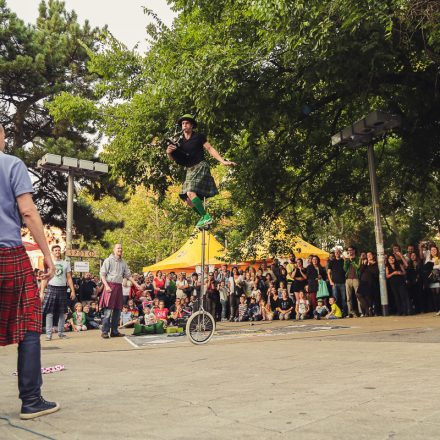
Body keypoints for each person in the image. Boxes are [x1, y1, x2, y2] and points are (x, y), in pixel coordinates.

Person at [0, 124, 60, 419]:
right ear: (1, 136)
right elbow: (27, 211)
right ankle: (31, 400)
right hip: (7, 253)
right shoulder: (11, 164)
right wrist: (47, 254)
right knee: (29, 321)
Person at [166, 114, 236, 228]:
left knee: (190, 192)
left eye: (187, 123)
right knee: (187, 199)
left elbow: (210, 148)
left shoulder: (198, 137)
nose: (184, 125)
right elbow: (174, 159)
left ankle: (206, 217)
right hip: (189, 169)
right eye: (183, 123)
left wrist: (222, 161)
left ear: (192, 125)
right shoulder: (179, 142)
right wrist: (169, 152)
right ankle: (204, 217)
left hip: (200, 166)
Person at [100, 244, 141, 339]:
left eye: (121, 248)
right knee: (108, 311)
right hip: (110, 286)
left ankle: (114, 331)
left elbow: (128, 275)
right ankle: (105, 331)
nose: (120, 249)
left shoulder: (123, 262)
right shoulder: (108, 260)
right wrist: (106, 286)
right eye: (118, 248)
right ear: (114, 250)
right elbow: (102, 275)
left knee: (117, 310)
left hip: (119, 286)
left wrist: (136, 284)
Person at [39, 245, 75, 340]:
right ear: (52, 252)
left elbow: (69, 278)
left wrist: (73, 290)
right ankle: (48, 334)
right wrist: (42, 292)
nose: (57, 252)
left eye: (59, 250)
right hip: (51, 288)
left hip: (62, 289)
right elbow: (44, 278)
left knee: (62, 313)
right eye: (55, 250)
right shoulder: (48, 263)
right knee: (49, 313)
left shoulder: (66, 263)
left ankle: (61, 333)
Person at [327, 249, 347, 316]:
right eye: (336, 252)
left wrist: (345, 260)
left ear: (340, 253)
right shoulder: (331, 261)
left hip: (343, 282)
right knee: (335, 299)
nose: (337, 253)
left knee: (344, 298)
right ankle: (337, 313)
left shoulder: (343, 260)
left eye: (338, 252)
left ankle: (344, 312)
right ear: (335, 254)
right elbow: (329, 272)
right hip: (334, 283)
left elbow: (346, 269)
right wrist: (330, 281)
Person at [343, 246, 361, 317]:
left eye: (351, 250)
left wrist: (352, 261)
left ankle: (360, 312)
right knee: (348, 297)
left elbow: (358, 267)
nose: (349, 251)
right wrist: (346, 261)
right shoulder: (347, 259)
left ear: (354, 250)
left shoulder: (358, 258)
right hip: (348, 279)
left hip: (356, 279)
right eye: (348, 250)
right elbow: (345, 269)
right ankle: (350, 312)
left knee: (358, 296)